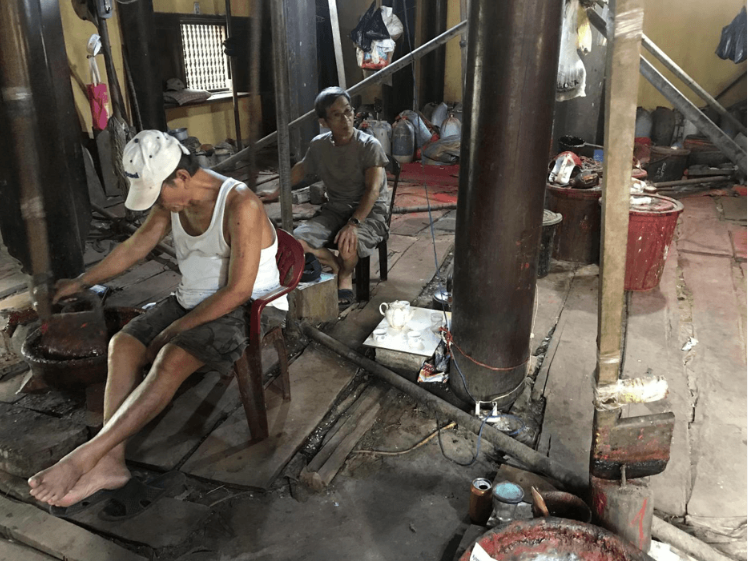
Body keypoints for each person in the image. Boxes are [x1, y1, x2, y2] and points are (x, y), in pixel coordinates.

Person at [28, 130, 287, 512]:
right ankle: (111, 465)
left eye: (159, 194)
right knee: (123, 344)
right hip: (192, 300)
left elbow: (236, 292)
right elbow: (134, 247)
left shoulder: (240, 204)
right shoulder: (173, 202)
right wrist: (82, 282)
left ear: (180, 176)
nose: (158, 206)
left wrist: (175, 329)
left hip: (248, 306)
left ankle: (85, 457)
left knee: (169, 357)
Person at [259, 87, 389, 307]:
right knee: (296, 243)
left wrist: (354, 223)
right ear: (324, 122)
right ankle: (337, 267)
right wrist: (275, 193)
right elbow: (301, 169)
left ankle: (346, 275)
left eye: (348, 111)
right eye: (336, 115)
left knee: (349, 246)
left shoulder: (370, 146)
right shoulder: (319, 145)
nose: (346, 120)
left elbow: (373, 191)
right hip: (335, 209)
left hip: (369, 213)